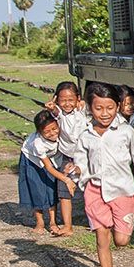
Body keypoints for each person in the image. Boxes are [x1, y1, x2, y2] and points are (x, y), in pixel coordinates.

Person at [67, 81, 134, 267]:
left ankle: (120, 232)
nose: (104, 113)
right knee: (102, 238)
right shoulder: (86, 136)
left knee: (121, 240)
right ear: (90, 108)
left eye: (109, 108)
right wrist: (74, 170)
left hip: (122, 192)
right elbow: (81, 163)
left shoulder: (126, 132)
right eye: (98, 108)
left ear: (118, 106)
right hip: (95, 191)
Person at [17, 110, 74, 234]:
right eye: (47, 132)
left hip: (52, 159)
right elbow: (48, 167)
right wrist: (66, 179)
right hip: (32, 161)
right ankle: (40, 222)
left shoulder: (62, 132)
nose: (52, 133)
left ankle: (53, 221)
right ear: (39, 132)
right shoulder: (38, 144)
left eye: (54, 129)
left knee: (51, 187)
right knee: (37, 189)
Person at [44, 81, 89, 237]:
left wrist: (82, 102)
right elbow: (53, 109)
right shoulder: (58, 114)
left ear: (77, 99)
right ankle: (68, 226)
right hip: (67, 157)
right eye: (63, 100)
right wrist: (53, 104)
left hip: (86, 157)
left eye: (71, 100)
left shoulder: (83, 110)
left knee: (91, 189)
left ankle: (96, 221)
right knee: (64, 192)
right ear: (57, 100)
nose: (67, 104)